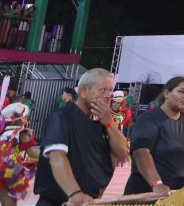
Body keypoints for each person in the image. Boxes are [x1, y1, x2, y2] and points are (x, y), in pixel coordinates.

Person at [34, 68, 130, 206]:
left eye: (110, 90)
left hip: (88, 200)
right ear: (83, 91)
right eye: (103, 90)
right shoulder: (62, 117)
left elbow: (122, 152)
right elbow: (57, 156)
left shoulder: (103, 122)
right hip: (60, 201)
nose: (108, 95)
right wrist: (75, 193)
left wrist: (110, 123)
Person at [124, 76, 184, 195]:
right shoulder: (149, 119)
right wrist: (157, 184)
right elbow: (141, 153)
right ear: (166, 93)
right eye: (181, 91)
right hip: (148, 194)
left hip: (178, 195)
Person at [0, 102, 40, 206]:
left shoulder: (0, 134)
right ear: (21, 119)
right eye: (26, 117)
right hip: (12, 171)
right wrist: (51, 154)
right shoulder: (22, 132)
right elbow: (32, 152)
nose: (27, 120)